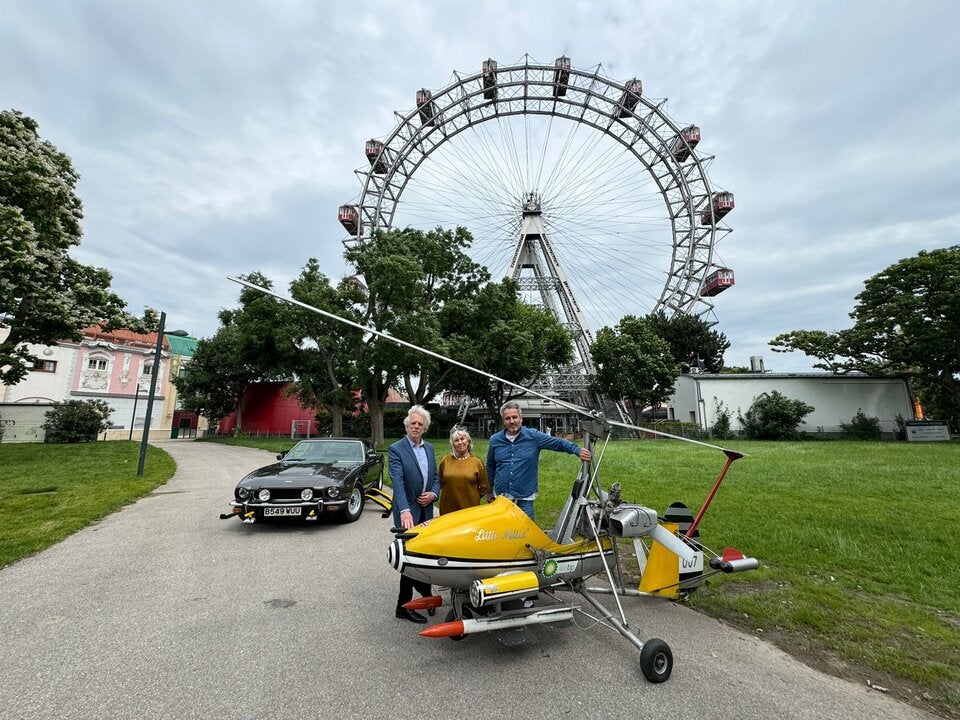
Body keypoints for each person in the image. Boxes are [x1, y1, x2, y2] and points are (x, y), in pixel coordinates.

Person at [486, 400, 591, 521]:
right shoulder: (495, 440)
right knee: (502, 531)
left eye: (515, 417)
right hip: (502, 497)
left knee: (526, 533)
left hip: (524, 496)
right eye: (507, 418)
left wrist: (577, 450)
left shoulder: (533, 436)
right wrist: (489, 491)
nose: (512, 421)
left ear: (521, 418)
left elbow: (558, 443)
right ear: (503, 421)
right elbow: (490, 466)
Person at [389, 405, 440, 623]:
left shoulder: (428, 448)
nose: (416, 426)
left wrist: (434, 495)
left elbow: (436, 477)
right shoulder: (396, 449)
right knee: (409, 559)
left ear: (425, 427)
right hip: (407, 512)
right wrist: (405, 510)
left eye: (420, 424)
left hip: (426, 510)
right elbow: (397, 483)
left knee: (425, 556)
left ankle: (426, 596)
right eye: (413, 423)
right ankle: (403, 607)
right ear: (407, 425)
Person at [438, 426, 489, 515]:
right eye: (456, 440)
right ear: (452, 444)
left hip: (470, 507)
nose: (460, 442)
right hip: (448, 507)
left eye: (462, 439)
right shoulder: (445, 461)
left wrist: (473, 497)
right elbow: (439, 482)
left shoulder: (477, 462)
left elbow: (484, 486)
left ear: (468, 441)